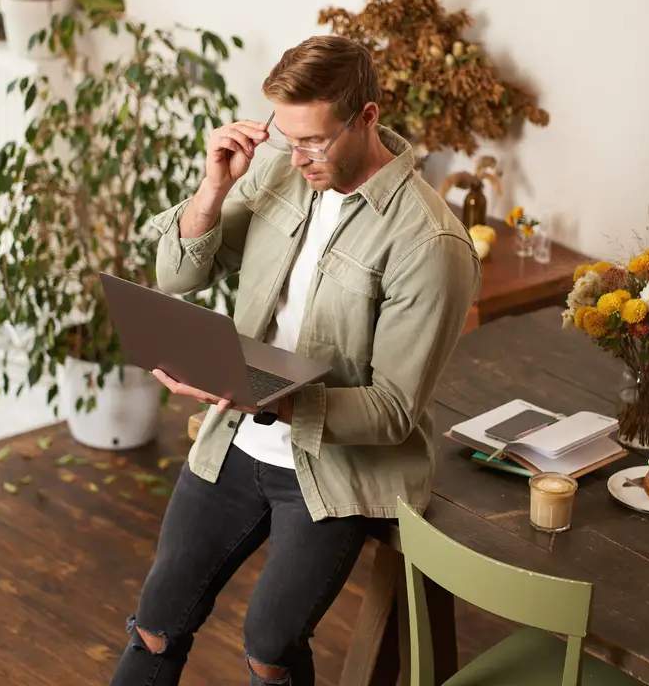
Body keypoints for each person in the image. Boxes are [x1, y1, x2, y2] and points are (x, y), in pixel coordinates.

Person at [110, 35, 481, 686]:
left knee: (270, 645)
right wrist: (212, 187)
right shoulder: (279, 168)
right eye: (288, 136)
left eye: (316, 140)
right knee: (154, 623)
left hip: (333, 470)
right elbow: (176, 276)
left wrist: (271, 397)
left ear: (367, 117)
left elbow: (393, 412)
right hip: (236, 443)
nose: (299, 156)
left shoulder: (430, 242)